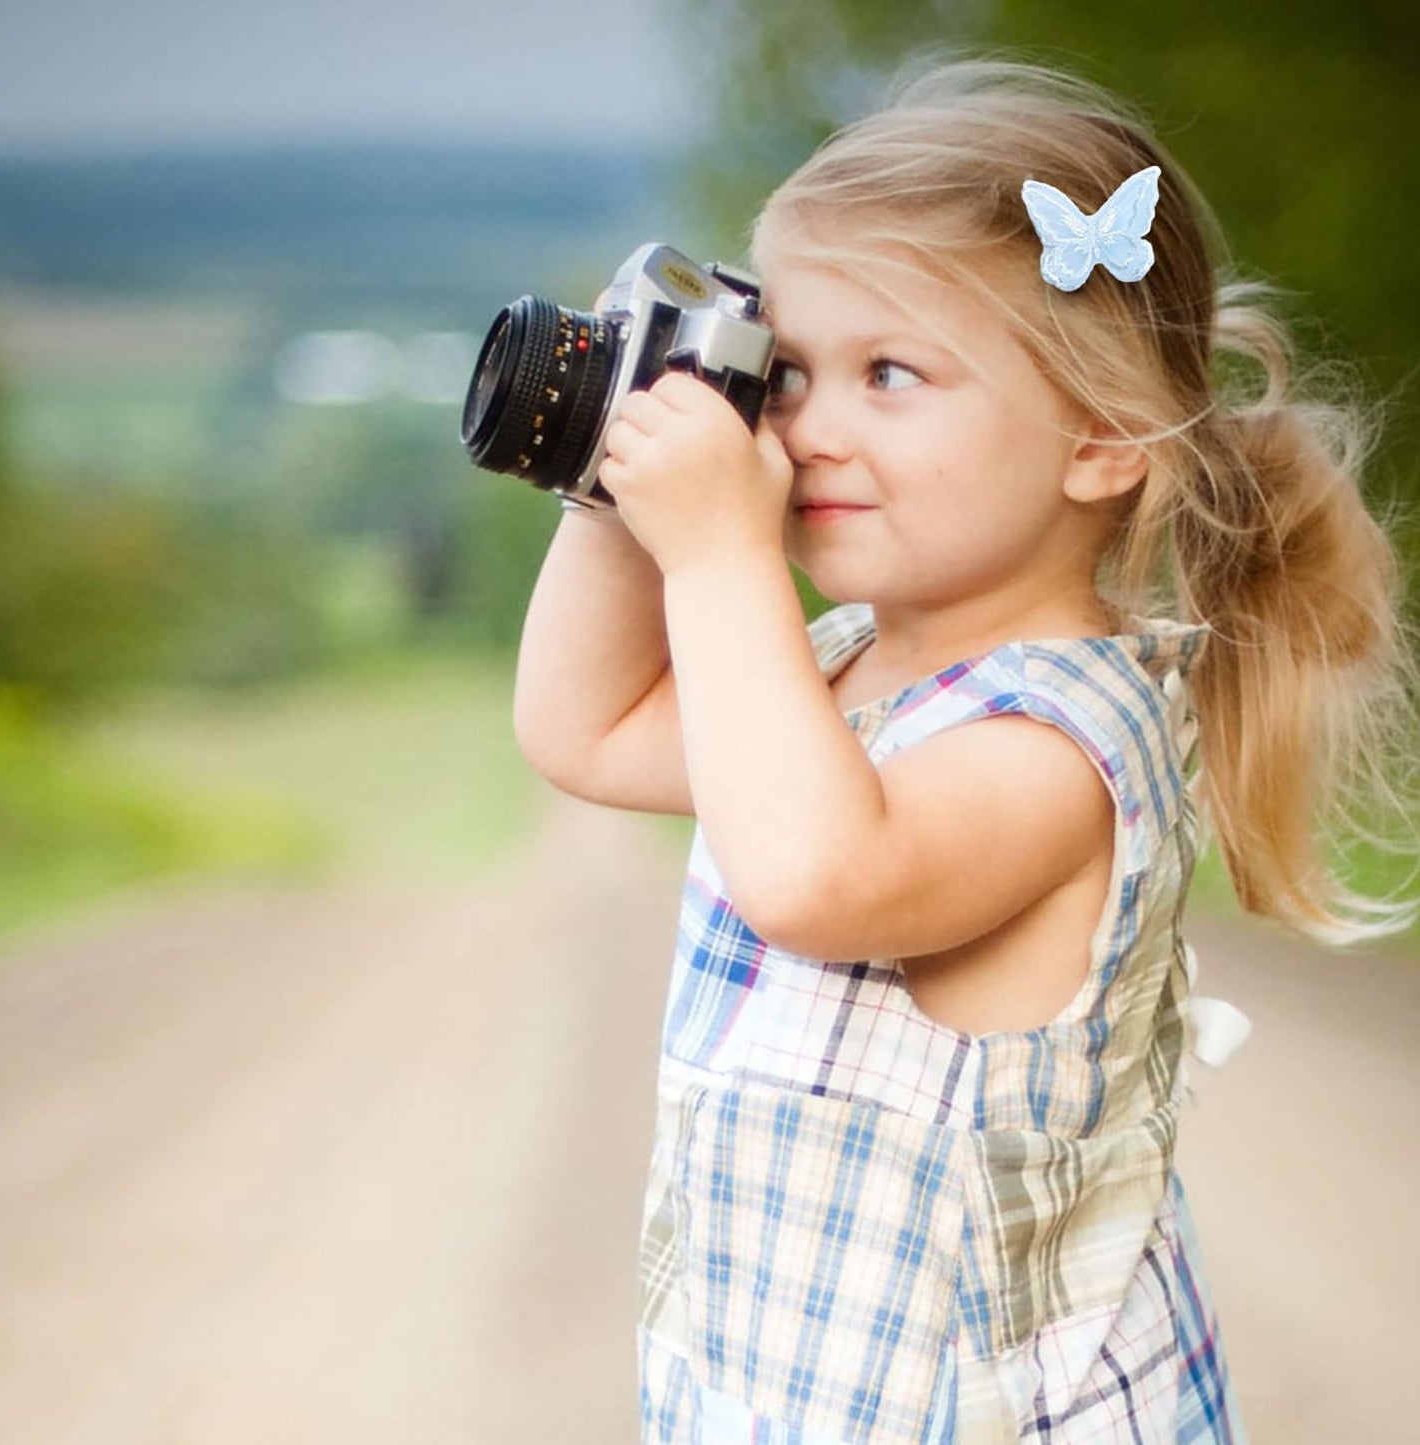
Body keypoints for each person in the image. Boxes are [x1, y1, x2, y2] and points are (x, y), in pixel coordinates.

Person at [512, 50, 1418, 1444]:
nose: (806, 429)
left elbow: (814, 874)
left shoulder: (1060, 742)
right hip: (779, 1390)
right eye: (790, 371)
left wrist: (714, 555)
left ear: (1101, 438)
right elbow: (585, 727)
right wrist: (618, 478)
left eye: (888, 372)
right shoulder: (824, 670)